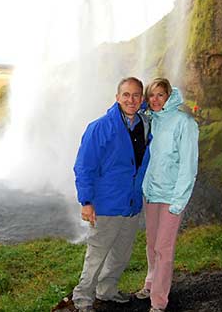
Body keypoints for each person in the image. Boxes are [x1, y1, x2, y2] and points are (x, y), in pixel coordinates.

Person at [72, 77, 150, 312]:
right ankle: (83, 299)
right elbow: (84, 166)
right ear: (117, 97)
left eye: (136, 95)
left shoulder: (144, 124)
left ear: (142, 99)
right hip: (107, 204)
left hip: (131, 204)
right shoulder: (100, 127)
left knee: (121, 255)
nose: (131, 99)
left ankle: (106, 291)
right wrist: (86, 201)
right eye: (126, 95)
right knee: (96, 256)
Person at [135, 78, 198, 312]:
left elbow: (188, 166)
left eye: (160, 95)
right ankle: (150, 284)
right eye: (151, 95)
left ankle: (159, 302)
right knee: (151, 245)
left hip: (172, 196)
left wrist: (179, 200)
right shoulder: (153, 120)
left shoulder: (184, 122)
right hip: (151, 194)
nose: (155, 99)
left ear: (169, 96)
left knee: (164, 248)